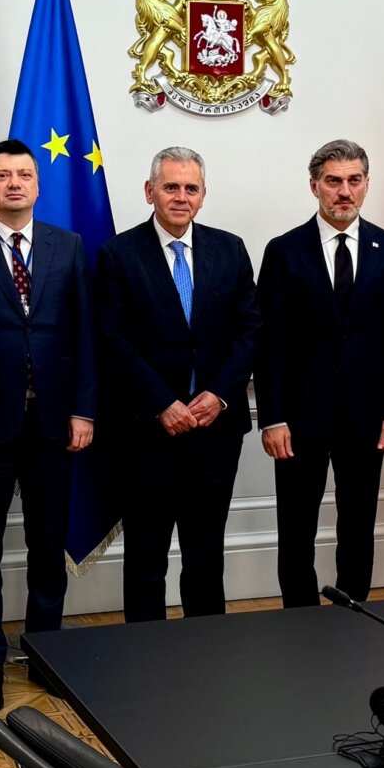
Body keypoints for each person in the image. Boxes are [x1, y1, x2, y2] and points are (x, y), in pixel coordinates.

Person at [0, 139, 97, 714]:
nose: (13, 184)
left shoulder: (67, 246)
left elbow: (84, 335)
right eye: (2, 176)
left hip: (53, 426)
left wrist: (83, 410)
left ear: (37, 184)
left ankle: (45, 654)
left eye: (23, 175)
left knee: (46, 548)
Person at [94, 146, 260, 622]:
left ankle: (204, 650)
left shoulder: (230, 249)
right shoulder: (118, 254)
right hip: (146, 435)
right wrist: (162, 403)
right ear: (150, 192)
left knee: (206, 556)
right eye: (170, 187)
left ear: (203, 195)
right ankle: (146, 651)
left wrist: (220, 394)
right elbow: (113, 340)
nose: (181, 197)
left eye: (191, 188)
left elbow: (250, 330)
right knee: (146, 559)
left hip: (214, 434)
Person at [256, 139, 384, 607]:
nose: (344, 191)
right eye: (333, 181)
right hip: (299, 419)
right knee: (296, 526)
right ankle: (299, 616)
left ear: (366, 185)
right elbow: (268, 342)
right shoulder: (284, 251)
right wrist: (272, 417)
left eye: (353, 180)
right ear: (314, 186)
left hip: (367, 417)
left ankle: (352, 614)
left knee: (358, 524)